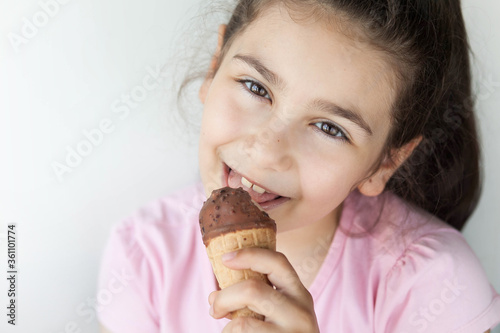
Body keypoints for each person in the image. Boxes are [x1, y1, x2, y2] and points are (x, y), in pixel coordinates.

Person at [97, 0, 500, 332]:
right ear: (214, 65)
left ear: (385, 163)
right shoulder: (143, 258)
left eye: (329, 128)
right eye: (256, 87)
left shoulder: (432, 286)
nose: (268, 151)